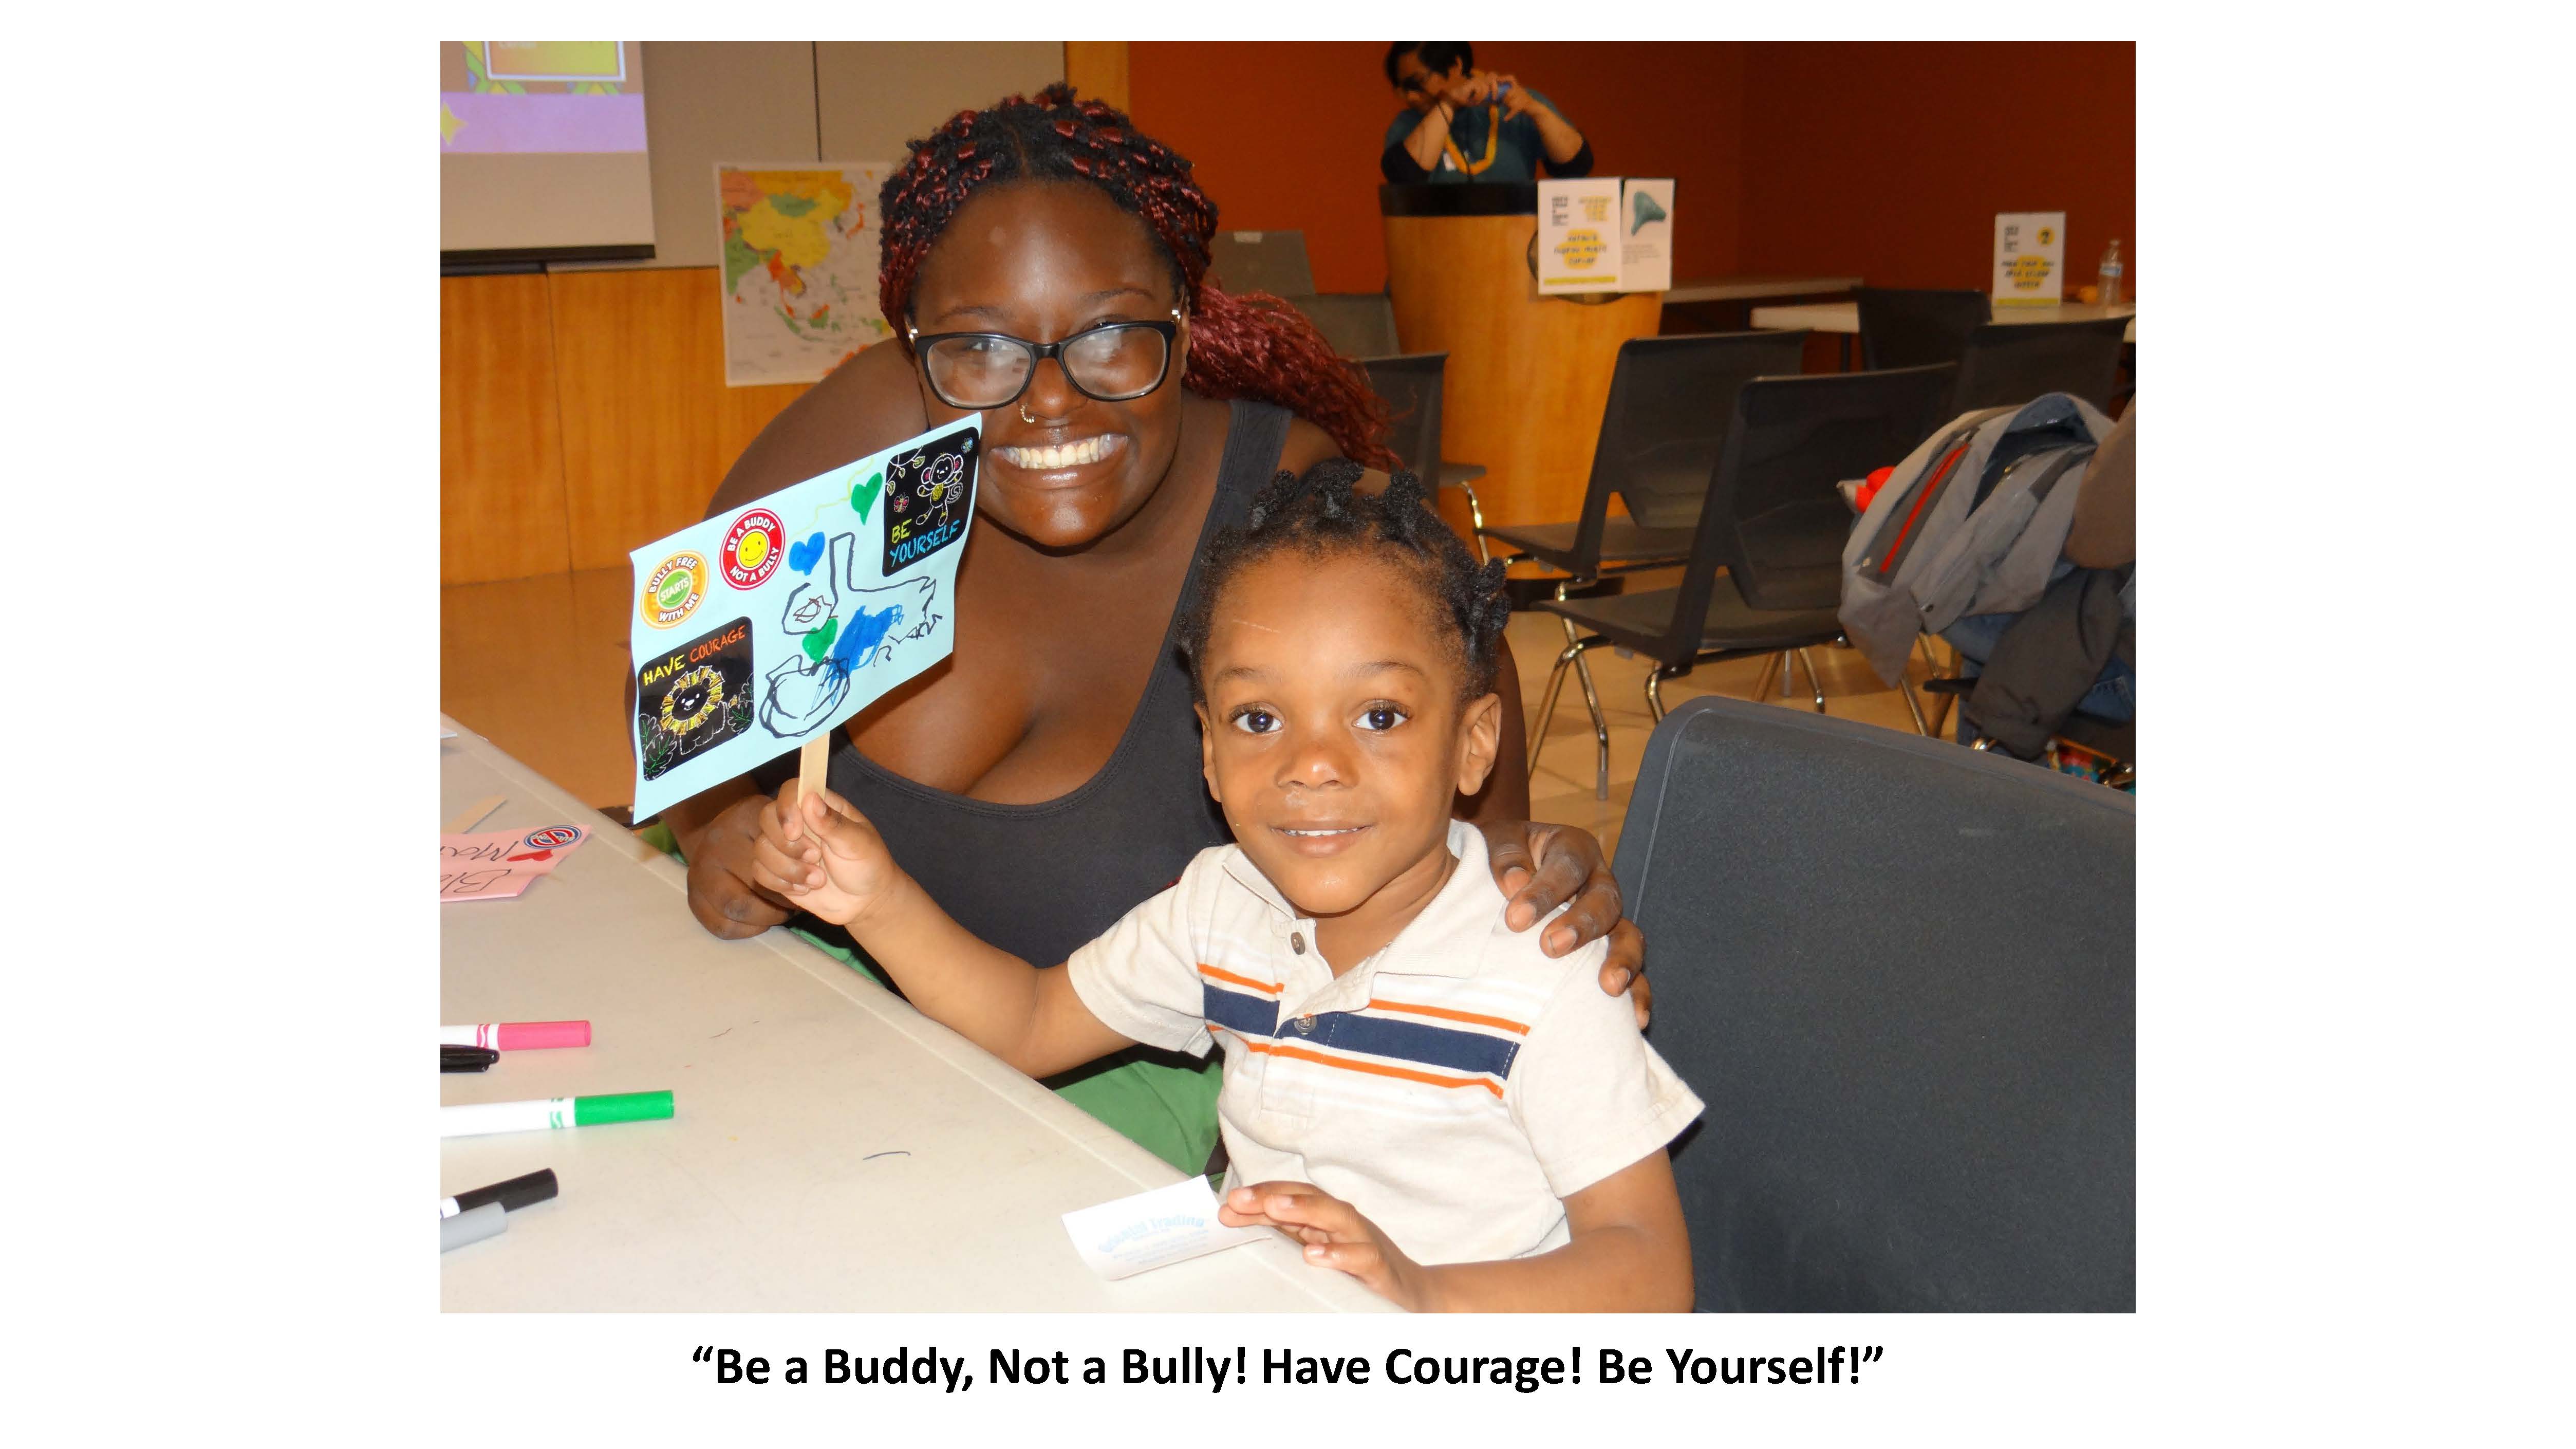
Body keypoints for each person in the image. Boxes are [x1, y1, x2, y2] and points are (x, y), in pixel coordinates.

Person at [659, 86, 1648, 1180]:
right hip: (802, 1029)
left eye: (1111, 336)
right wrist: (720, 833)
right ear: (914, 345)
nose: (1046, 402)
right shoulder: (875, 433)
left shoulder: (1302, 518)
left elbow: (1479, 844)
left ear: (1183, 318)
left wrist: (1533, 884)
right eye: (980, 348)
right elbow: (677, 702)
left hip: (1099, 1110)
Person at [753, 463, 1699, 1311]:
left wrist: (1416, 1293)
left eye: (1378, 714)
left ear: (1473, 743)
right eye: (1257, 717)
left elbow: (1648, 1270)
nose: (1312, 764)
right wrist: (873, 899)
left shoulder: (1544, 967)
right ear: (1206, 751)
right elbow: (1030, 1022)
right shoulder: (1222, 905)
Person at [1380, 43, 1593, 186]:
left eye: (1417, 84)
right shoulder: (1410, 123)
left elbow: (1577, 165)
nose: (1411, 97)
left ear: (1455, 66)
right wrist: (1449, 104)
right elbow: (1403, 176)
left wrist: (1538, 112)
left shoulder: (1515, 102)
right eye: (1402, 89)